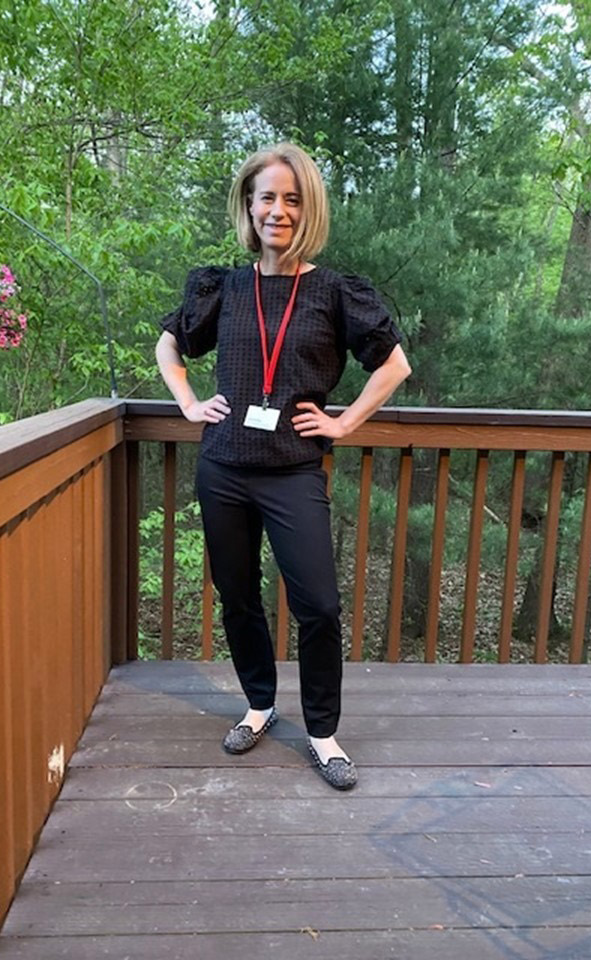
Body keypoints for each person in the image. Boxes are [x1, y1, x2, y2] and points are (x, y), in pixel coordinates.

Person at [155, 143, 412, 789]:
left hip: (294, 469)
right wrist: (188, 402)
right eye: (267, 197)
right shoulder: (225, 287)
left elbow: (395, 365)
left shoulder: (333, 290)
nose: (279, 210)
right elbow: (169, 343)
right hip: (224, 466)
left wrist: (344, 422)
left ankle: (323, 733)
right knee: (238, 597)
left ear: (308, 210)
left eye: (292, 199)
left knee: (318, 606)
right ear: (249, 204)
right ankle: (260, 705)